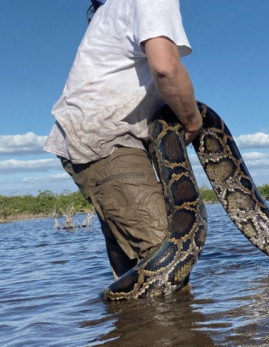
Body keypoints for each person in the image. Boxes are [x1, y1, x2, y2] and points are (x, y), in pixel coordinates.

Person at [44, 0, 202, 278]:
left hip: (96, 138)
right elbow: (165, 68)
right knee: (167, 254)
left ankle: (129, 321)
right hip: (109, 140)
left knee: (133, 268)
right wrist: (192, 121)